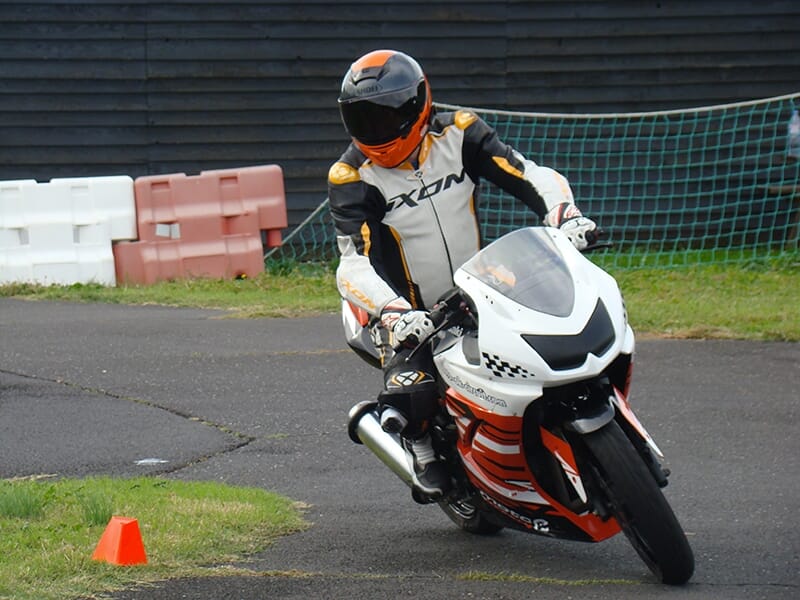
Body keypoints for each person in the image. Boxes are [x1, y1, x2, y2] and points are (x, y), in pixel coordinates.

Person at [328, 49, 598, 502]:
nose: (373, 131)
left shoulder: (459, 133)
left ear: (416, 106)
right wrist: (394, 312)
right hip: (403, 307)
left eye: (383, 116)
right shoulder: (351, 174)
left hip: (481, 284)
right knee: (412, 392)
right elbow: (353, 261)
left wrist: (563, 214)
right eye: (361, 119)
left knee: (547, 340)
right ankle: (420, 447)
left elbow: (527, 175)